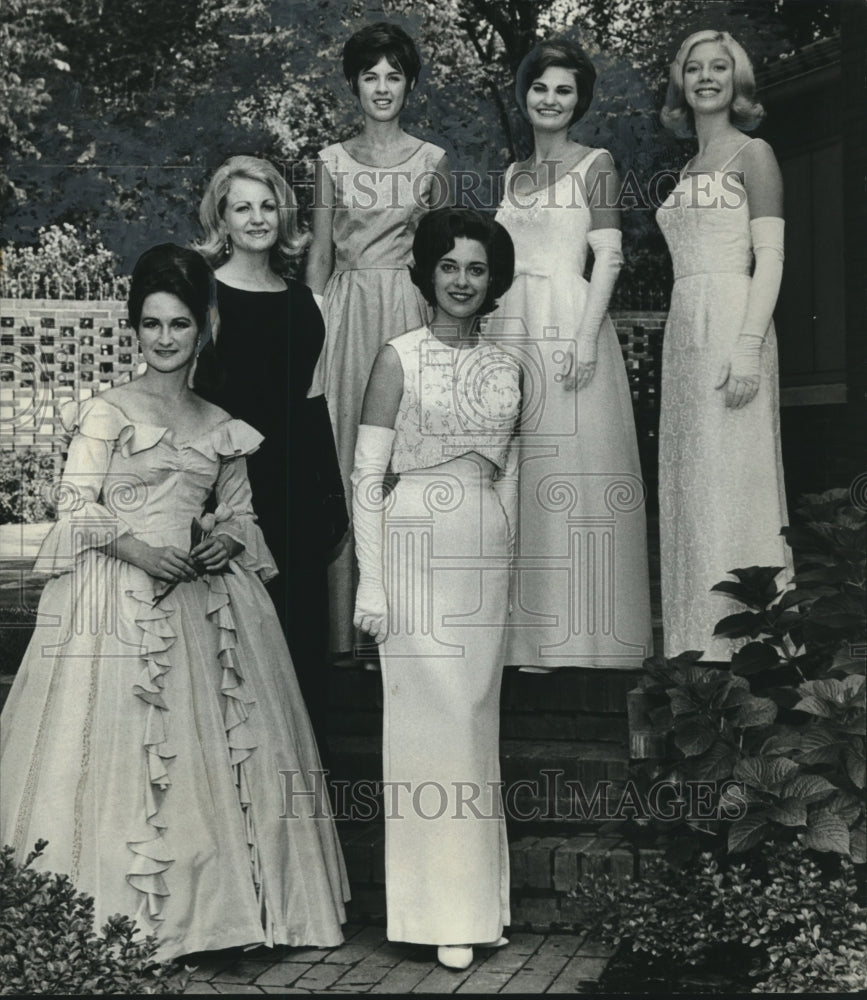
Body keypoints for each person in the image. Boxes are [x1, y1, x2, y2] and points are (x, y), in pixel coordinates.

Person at [0, 245, 349, 961]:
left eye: (179, 325)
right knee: (120, 754)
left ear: (203, 329)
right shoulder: (108, 411)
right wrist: (139, 550)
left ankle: (218, 916)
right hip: (116, 596)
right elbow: (73, 502)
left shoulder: (221, 421)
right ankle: (116, 915)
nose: (164, 339)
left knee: (215, 757)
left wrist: (225, 539)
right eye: (151, 324)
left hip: (206, 602)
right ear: (133, 329)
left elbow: (242, 514)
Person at [352, 208, 520, 969]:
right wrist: (373, 583)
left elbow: (507, 475)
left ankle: (483, 905)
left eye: (476, 269)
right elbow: (364, 480)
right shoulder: (397, 358)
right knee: (434, 731)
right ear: (426, 273)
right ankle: (437, 914)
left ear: (493, 282)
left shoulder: (510, 365)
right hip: (414, 541)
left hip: (481, 549)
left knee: (475, 726)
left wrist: (506, 561)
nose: (461, 281)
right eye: (449, 266)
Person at [493, 39, 652, 670]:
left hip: (567, 324)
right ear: (525, 95)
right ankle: (523, 638)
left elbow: (608, 256)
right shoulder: (510, 174)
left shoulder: (597, 164)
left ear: (578, 100)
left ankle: (583, 641)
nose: (550, 100)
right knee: (518, 473)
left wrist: (586, 339)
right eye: (540, 88)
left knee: (572, 477)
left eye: (563, 90)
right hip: (510, 326)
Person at [306, 20, 451, 655]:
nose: (383, 87)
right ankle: (343, 635)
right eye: (371, 76)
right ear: (354, 86)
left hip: (410, 313)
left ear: (410, 85)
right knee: (346, 462)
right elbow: (318, 254)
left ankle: (410, 631)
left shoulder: (433, 161)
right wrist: (312, 332)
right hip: (346, 314)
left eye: (395, 75)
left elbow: (447, 256)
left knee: (407, 459)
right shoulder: (331, 161)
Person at [194, 154, 347, 752]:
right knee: (230, 641)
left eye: (266, 206)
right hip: (227, 494)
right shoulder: (203, 298)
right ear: (222, 219)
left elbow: (313, 405)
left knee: (298, 639)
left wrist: (331, 496)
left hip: (294, 494)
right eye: (242, 208)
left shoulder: (305, 300)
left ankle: (304, 793)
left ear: (282, 214)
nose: (257, 218)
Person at [656, 30, 792, 660]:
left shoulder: (753, 154)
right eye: (694, 68)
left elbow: (771, 259)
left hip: (734, 320)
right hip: (687, 328)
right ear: (681, 82)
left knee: (733, 480)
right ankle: (694, 647)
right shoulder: (687, 166)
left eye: (719, 67)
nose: (705, 77)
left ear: (737, 81)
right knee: (692, 483)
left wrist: (746, 346)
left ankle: (748, 652)